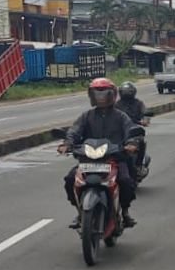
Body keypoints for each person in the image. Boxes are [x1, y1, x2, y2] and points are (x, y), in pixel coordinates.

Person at [59, 78, 139, 229]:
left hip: (114, 159)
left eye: (104, 94)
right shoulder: (86, 116)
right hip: (89, 160)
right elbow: (74, 131)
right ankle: (79, 211)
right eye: (96, 94)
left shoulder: (121, 116)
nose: (100, 98)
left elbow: (131, 131)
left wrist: (131, 143)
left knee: (126, 181)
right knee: (70, 179)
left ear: (112, 95)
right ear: (91, 96)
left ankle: (125, 212)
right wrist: (67, 143)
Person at [114, 80, 149, 177]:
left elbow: (145, 112)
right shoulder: (117, 105)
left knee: (141, 141)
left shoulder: (138, 103)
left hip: (134, 128)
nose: (126, 94)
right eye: (124, 92)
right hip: (119, 129)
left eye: (128, 92)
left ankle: (138, 166)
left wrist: (145, 120)